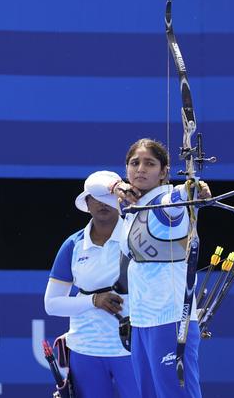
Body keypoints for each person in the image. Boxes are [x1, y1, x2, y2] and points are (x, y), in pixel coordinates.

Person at [111, 138, 209, 398]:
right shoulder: (133, 205)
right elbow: (93, 183)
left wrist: (194, 188)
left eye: (150, 163)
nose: (140, 169)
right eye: (134, 163)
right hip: (142, 320)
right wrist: (116, 185)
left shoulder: (166, 203)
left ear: (164, 171)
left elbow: (181, 196)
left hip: (171, 319)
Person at [44, 170, 138, 397]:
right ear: (86, 202)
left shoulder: (137, 235)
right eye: (94, 197)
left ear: (119, 199)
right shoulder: (73, 245)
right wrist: (94, 300)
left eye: (106, 197)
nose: (102, 204)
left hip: (132, 348)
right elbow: (52, 304)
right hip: (85, 349)